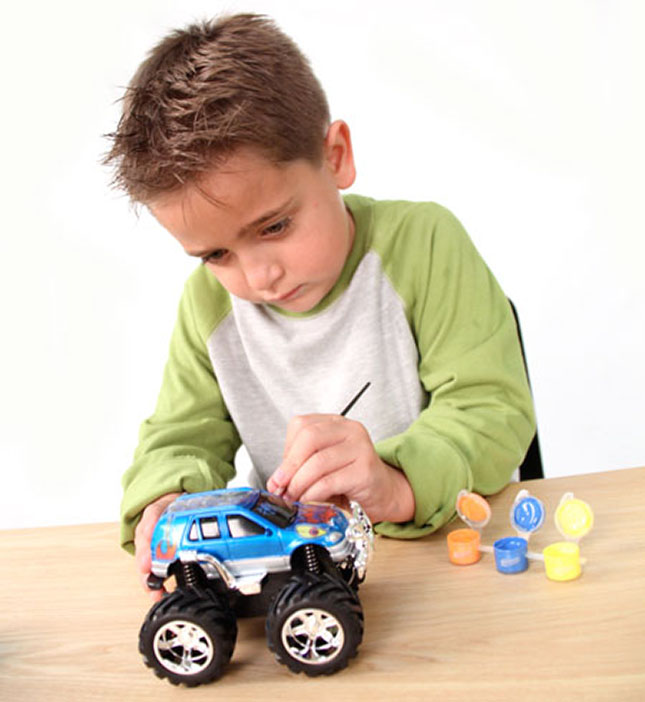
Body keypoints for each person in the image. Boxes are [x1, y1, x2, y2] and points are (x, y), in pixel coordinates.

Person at [105, 13, 536, 599]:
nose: (259, 276)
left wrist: (395, 481)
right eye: (214, 254)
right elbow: (179, 437)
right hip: (302, 581)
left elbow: (493, 409)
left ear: (335, 157)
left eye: (275, 225)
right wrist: (165, 501)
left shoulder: (426, 245)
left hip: (462, 567)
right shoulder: (209, 305)